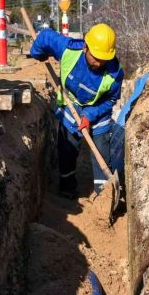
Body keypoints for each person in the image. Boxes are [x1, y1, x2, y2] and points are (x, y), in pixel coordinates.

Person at [30, 24, 124, 200]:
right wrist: (38, 53)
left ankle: (102, 194)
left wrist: (89, 115)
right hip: (71, 105)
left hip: (98, 111)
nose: (99, 63)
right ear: (85, 47)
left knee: (101, 150)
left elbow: (111, 100)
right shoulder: (69, 50)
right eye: (95, 58)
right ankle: (67, 187)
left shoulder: (115, 74)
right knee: (67, 147)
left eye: (103, 59)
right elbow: (44, 37)